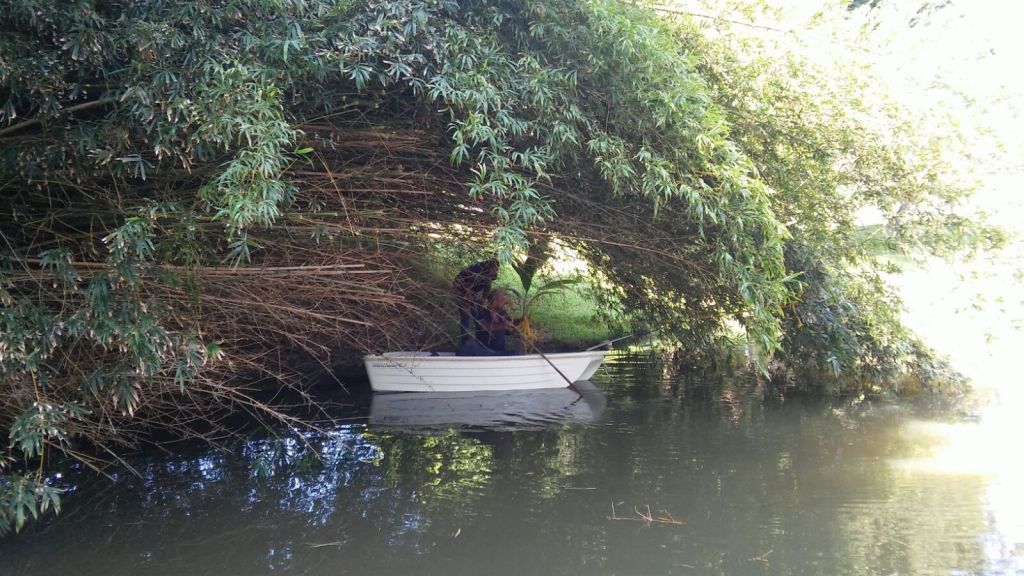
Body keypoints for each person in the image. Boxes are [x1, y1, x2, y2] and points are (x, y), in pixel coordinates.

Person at [452, 259, 499, 353]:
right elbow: (465, 286)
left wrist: (482, 299)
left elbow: (488, 286)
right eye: (493, 268)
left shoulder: (491, 275)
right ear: (488, 267)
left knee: (479, 314)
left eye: (496, 269)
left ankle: (482, 341)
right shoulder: (476, 270)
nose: (495, 271)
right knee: (465, 314)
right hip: (460, 288)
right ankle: (464, 343)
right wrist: (466, 301)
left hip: (472, 292)